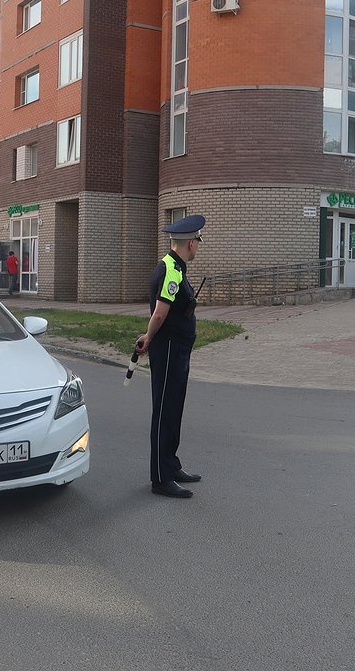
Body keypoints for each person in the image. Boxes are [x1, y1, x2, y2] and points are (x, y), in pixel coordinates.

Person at [136, 214, 206, 499]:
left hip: (177, 351)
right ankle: (161, 478)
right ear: (190, 243)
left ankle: (172, 465)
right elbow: (160, 313)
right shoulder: (170, 271)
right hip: (168, 350)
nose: (198, 245)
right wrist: (148, 337)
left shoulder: (176, 267)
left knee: (174, 409)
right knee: (165, 412)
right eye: (198, 241)